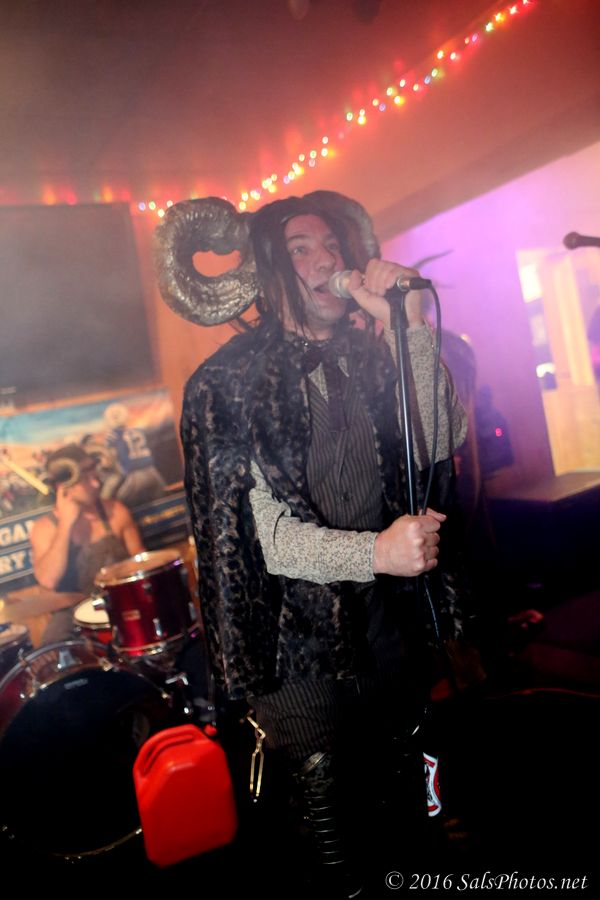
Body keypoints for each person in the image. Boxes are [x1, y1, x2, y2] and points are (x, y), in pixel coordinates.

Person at [161, 191, 468, 895]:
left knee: (419, 804)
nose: (326, 259)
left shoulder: (371, 354)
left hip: (384, 619)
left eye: (331, 244)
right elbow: (266, 539)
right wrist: (375, 553)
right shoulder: (228, 384)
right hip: (294, 644)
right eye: (301, 249)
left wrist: (409, 325)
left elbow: (440, 438)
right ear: (270, 273)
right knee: (339, 844)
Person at [30, 443, 145, 644]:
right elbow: (48, 580)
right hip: (72, 617)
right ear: (63, 487)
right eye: (85, 478)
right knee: (49, 650)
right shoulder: (45, 528)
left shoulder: (116, 512)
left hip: (121, 604)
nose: (96, 482)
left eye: (94, 474)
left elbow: (143, 563)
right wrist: (66, 523)